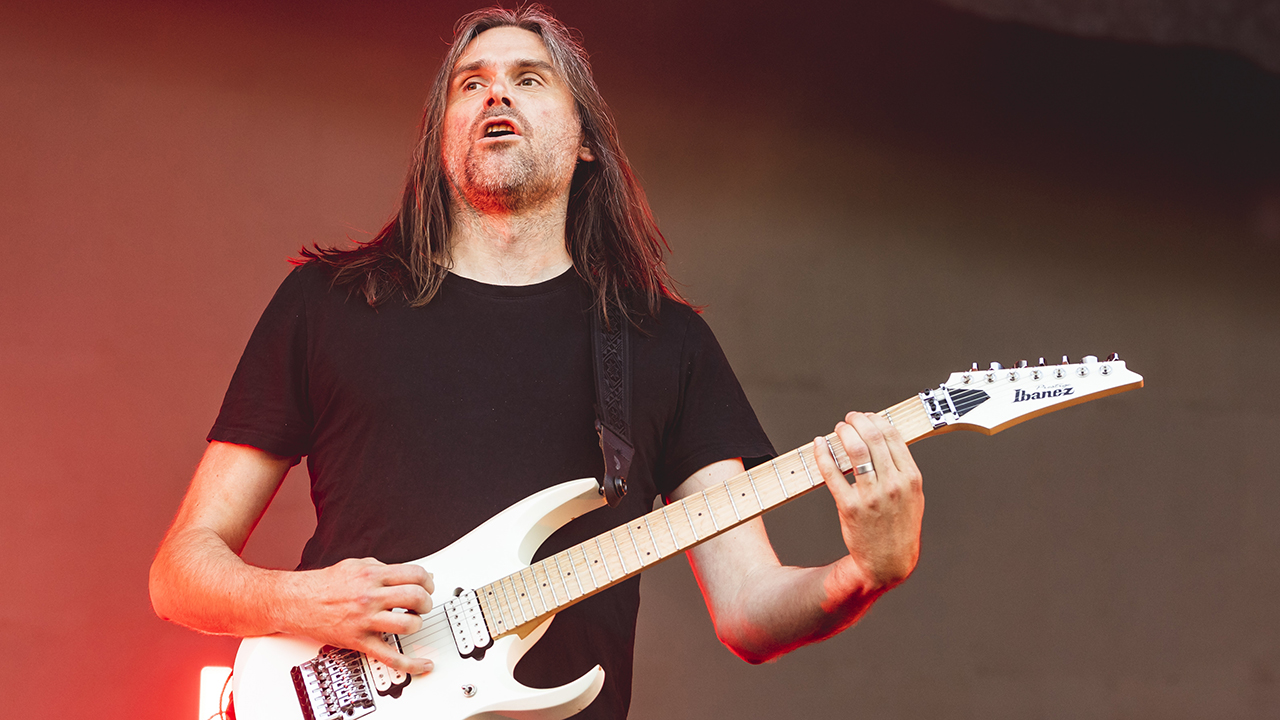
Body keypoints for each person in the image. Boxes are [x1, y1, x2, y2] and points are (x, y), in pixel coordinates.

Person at [149, 6, 925, 719]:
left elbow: (751, 611)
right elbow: (179, 573)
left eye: (528, 79)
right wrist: (300, 603)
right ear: (442, 135)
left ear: (585, 138)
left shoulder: (664, 343)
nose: (497, 97)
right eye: (472, 84)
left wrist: (863, 572)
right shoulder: (330, 304)